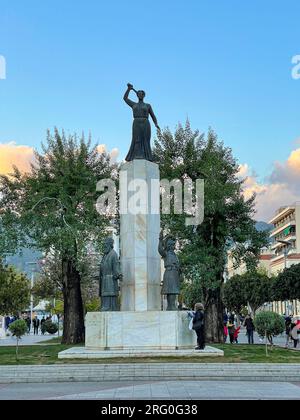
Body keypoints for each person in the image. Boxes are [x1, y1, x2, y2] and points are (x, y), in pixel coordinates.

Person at [123, 83, 160, 162]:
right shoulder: (134, 105)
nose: (140, 95)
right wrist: (128, 89)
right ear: (137, 95)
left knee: (146, 140)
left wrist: (156, 123)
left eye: (141, 94)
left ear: (143, 96)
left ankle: (147, 156)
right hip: (136, 122)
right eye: (138, 94)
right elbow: (125, 98)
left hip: (145, 123)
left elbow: (153, 115)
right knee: (136, 139)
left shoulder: (147, 105)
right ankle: (135, 155)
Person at [158, 233, 180, 311]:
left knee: (174, 291)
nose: (173, 246)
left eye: (174, 244)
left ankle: (172, 305)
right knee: (170, 290)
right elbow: (160, 250)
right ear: (169, 245)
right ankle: (170, 306)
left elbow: (178, 265)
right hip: (169, 272)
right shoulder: (166, 253)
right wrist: (160, 240)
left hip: (175, 273)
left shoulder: (175, 255)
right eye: (172, 244)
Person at [99, 237, 122, 311]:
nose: (104, 247)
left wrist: (118, 274)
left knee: (110, 294)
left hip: (110, 280)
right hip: (104, 279)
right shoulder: (105, 255)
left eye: (105, 245)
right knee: (105, 294)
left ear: (109, 245)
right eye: (104, 245)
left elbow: (116, 266)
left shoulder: (113, 254)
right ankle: (105, 306)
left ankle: (110, 307)